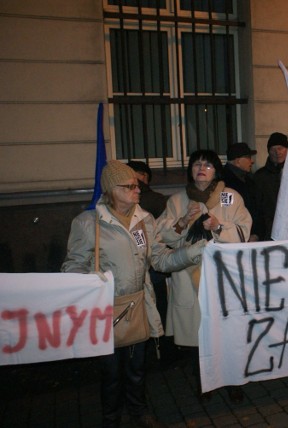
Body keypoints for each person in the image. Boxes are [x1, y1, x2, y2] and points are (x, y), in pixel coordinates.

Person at [62, 160, 206, 428]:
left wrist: (192, 252)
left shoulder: (144, 219)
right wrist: (94, 283)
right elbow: (73, 267)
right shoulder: (88, 223)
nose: (137, 190)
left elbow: (160, 260)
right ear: (111, 190)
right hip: (106, 311)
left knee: (138, 367)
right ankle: (111, 417)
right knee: (111, 371)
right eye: (129, 186)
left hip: (139, 305)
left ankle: (138, 411)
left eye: (137, 185)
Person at [157, 149, 251, 403]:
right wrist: (182, 223)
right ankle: (205, 382)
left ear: (216, 170)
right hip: (189, 275)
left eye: (207, 165)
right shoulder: (177, 200)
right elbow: (162, 236)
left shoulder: (229, 197)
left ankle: (232, 381)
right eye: (197, 164)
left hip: (223, 277)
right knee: (199, 336)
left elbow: (244, 229)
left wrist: (219, 226)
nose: (201, 168)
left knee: (226, 333)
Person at [127, 161, 176, 364]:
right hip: (139, 273)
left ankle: (157, 348)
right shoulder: (151, 201)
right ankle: (158, 349)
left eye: (141, 176)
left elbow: (161, 238)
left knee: (157, 307)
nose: (139, 182)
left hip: (152, 268)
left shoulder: (152, 204)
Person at [222, 142, 261, 241]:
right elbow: (226, 212)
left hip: (251, 236)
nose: (252, 161)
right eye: (248, 157)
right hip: (235, 238)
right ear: (238, 161)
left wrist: (256, 233)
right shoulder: (224, 183)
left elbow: (257, 209)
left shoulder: (249, 180)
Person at [254, 132, 288, 240]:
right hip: (268, 232)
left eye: (280, 148)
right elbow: (257, 208)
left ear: (287, 149)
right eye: (273, 149)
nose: (277, 152)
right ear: (268, 151)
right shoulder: (260, 176)